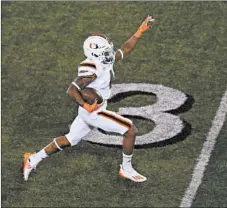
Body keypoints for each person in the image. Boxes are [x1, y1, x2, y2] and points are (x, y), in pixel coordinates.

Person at [22, 15, 155, 182]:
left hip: (95, 108)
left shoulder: (104, 59)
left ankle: (33, 159)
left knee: (70, 139)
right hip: (93, 111)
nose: (109, 53)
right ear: (94, 53)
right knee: (130, 130)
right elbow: (72, 90)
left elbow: (124, 50)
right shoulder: (91, 67)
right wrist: (85, 105)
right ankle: (126, 169)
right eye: (105, 51)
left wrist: (139, 32)